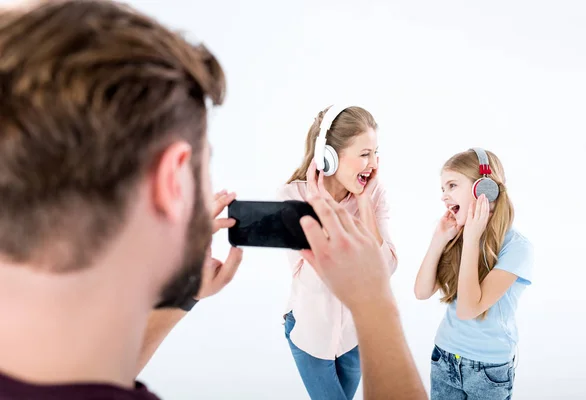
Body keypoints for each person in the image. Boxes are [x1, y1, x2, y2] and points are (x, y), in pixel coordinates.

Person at [0, 1, 426, 399]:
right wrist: (376, 307)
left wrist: (185, 295)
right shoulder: (297, 194)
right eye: (207, 164)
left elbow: (92, 381)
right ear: (173, 181)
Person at [277, 105, 398, 399]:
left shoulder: (374, 193)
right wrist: (320, 205)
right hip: (310, 335)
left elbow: (385, 269)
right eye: (364, 154)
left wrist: (365, 204)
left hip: (355, 338)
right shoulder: (293, 197)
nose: (373, 164)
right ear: (328, 157)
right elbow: (312, 277)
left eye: (375, 153)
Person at [414, 148, 534, 399]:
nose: (444, 196)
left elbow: (468, 308)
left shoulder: (517, 248)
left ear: (483, 189)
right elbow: (422, 292)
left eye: (452, 185)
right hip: (444, 357)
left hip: (488, 371)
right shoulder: (458, 234)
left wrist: (471, 240)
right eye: (443, 189)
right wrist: (439, 239)